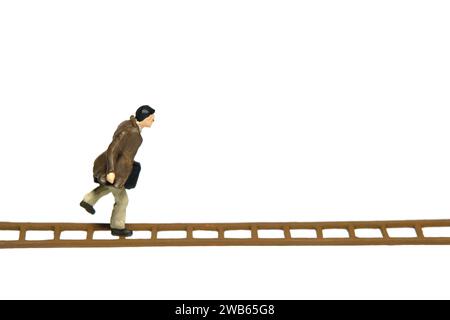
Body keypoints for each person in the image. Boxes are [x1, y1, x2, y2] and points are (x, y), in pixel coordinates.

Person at [80, 105, 155, 237]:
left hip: (118, 168)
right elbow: (112, 149)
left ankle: (88, 200)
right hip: (113, 169)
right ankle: (118, 227)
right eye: (151, 117)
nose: (153, 120)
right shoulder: (130, 132)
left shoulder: (132, 128)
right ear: (144, 118)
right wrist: (111, 171)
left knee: (108, 187)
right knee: (122, 199)